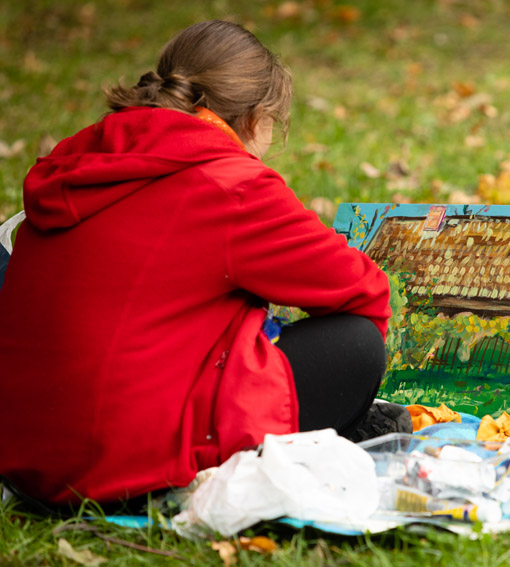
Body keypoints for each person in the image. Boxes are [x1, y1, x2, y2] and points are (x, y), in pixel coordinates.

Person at [0, 20, 410, 507]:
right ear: (256, 119)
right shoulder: (227, 182)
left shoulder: (85, 156)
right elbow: (364, 290)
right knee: (354, 345)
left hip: (25, 454)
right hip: (115, 467)